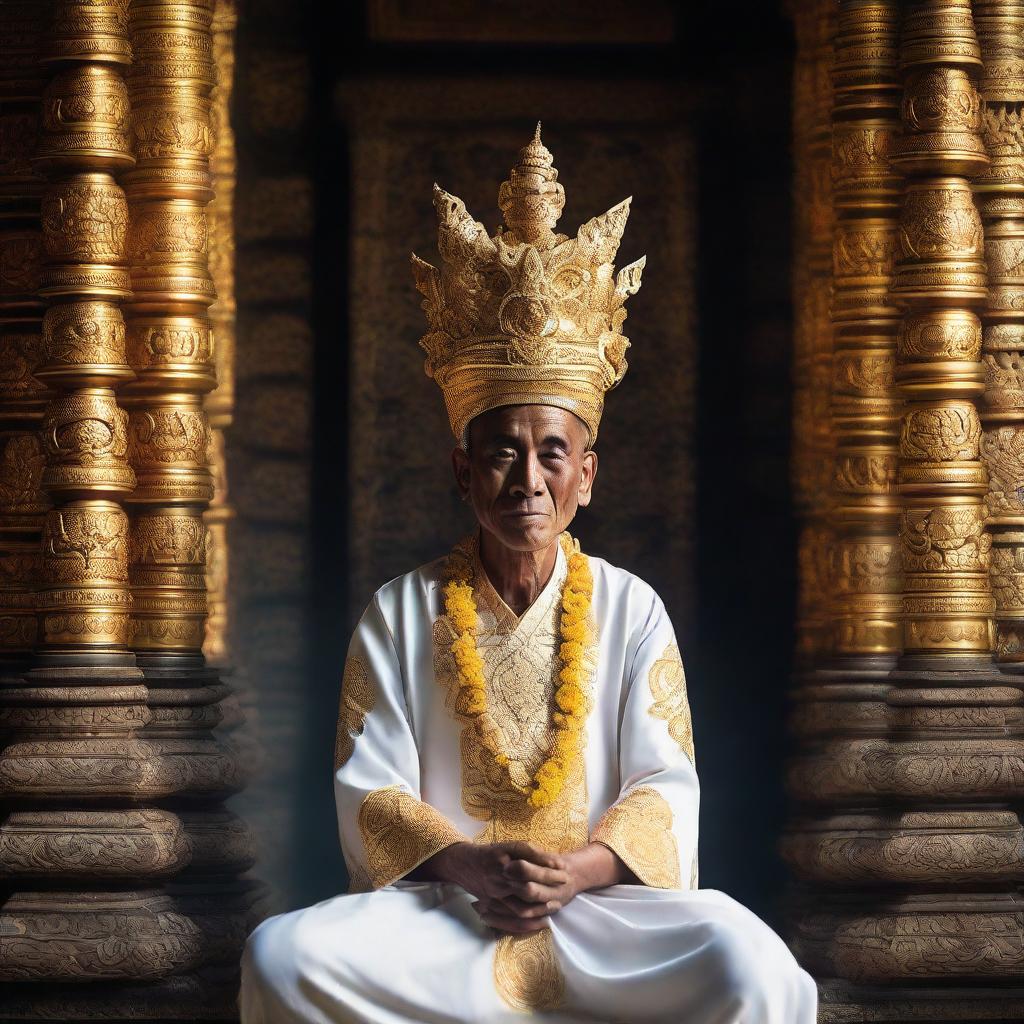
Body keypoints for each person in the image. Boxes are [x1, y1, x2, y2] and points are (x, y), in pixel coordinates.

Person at [239, 127, 818, 1023]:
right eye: (502, 453)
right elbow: (371, 792)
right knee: (282, 957)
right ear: (462, 472)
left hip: (602, 916)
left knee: (759, 970)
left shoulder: (631, 609)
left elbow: (666, 788)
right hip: (446, 917)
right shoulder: (400, 612)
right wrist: (474, 866)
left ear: (588, 476)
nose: (528, 478)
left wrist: (573, 871)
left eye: (554, 452)